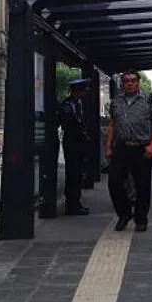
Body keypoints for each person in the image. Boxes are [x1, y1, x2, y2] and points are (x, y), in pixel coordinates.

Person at [106, 70, 152, 232]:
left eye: (133, 80)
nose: (130, 83)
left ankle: (141, 219)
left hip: (141, 148)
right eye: (126, 81)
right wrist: (108, 146)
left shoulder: (149, 100)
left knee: (142, 186)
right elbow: (112, 124)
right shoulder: (116, 101)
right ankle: (124, 213)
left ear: (138, 82)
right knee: (114, 182)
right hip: (121, 147)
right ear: (122, 83)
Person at [58, 78, 91, 215]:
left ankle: (76, 203)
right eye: (83, 90)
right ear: (77, 91)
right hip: (72, 143)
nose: (85, 93)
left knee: (78, 175)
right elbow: (70, 125)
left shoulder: (77, 103)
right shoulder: (68, 105)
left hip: (78, 143)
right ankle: (72, 205)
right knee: (73, 174)